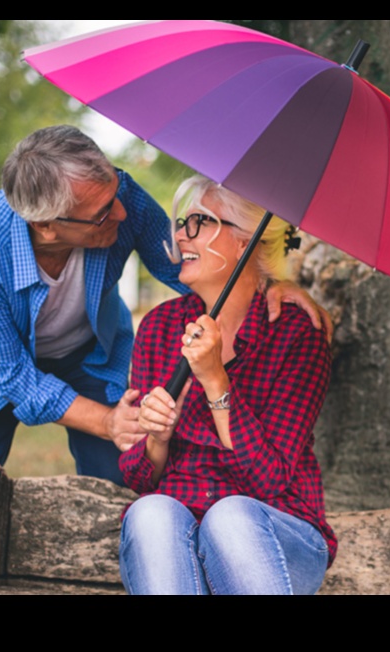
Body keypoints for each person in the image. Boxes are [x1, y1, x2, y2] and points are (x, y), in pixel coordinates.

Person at [0, 126, 328, 485]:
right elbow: (13, 375)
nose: (122, 213)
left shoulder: (122, 200)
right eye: (103, 213)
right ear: (46, 226)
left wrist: (270, 282)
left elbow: (191, 267)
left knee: (119, 479)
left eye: (116, 192)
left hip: (90, 354)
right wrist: (104, 421)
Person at [119, 173, 335, 594]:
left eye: (199, 222)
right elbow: (139, 476)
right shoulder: (159, 328)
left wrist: (216, 381)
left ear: (244, 242)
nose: (180, 235)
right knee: (151, 512)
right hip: (179, 536)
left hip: (274, 533)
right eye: (182, 222)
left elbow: (269, 481)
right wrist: (157, 438)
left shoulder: (296, 335)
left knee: (230, 516)